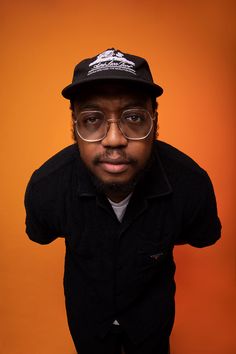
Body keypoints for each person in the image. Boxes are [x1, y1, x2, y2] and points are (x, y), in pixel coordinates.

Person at [24, 48, 221, 354]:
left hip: (152, 321)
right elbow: (41, 233)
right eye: (92, 119)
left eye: (133, 117)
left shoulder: (190, 185)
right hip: (88, 319)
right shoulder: (47, 187)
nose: (114, 139)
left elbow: (201, 236)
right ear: (74, 125)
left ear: (154, 121)